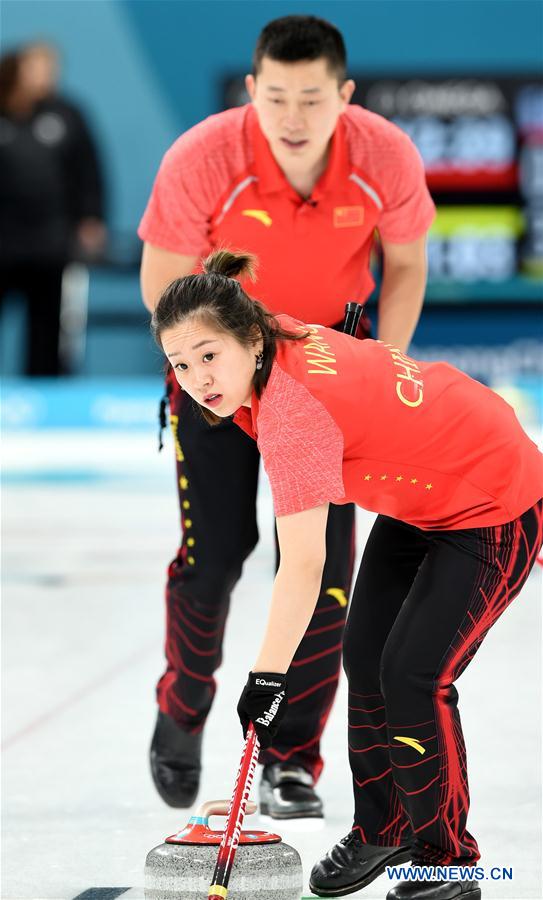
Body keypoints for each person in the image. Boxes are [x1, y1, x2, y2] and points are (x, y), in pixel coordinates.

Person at [150, 249, 543, 900]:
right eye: (180, 364)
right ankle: (383, 827)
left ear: (247, 339)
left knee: (413, 677)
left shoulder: (292, 415)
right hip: (428, 495)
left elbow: (304, 567)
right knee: (365, 658)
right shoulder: (267, 332)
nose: (196, 378)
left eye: (207, 356)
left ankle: (444, 862)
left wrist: (266, 681)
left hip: (493, 497)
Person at [138, 14, 435, 817]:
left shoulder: (385, 156)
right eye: (275, 98)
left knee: (322, 574)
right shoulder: (202, 157)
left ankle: (289, 760)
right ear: (250, 92)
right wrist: (210, 369)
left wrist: (385, 363)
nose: (293, 119)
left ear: (344, 95)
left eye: (311, 98)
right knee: (214, 558)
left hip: (332, 368)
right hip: (220, 371)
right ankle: (184, 700)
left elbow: (405, 264)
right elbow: (163, 283)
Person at [0, 42, 106, 375]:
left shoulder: (68, 115)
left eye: (53, 67)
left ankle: (44, 395)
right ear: (16, 69)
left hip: (50, 245)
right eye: (40, 67)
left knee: (47, 329)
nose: (49, 75)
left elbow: (89, 171)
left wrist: (91, 219)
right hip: (3, 242)